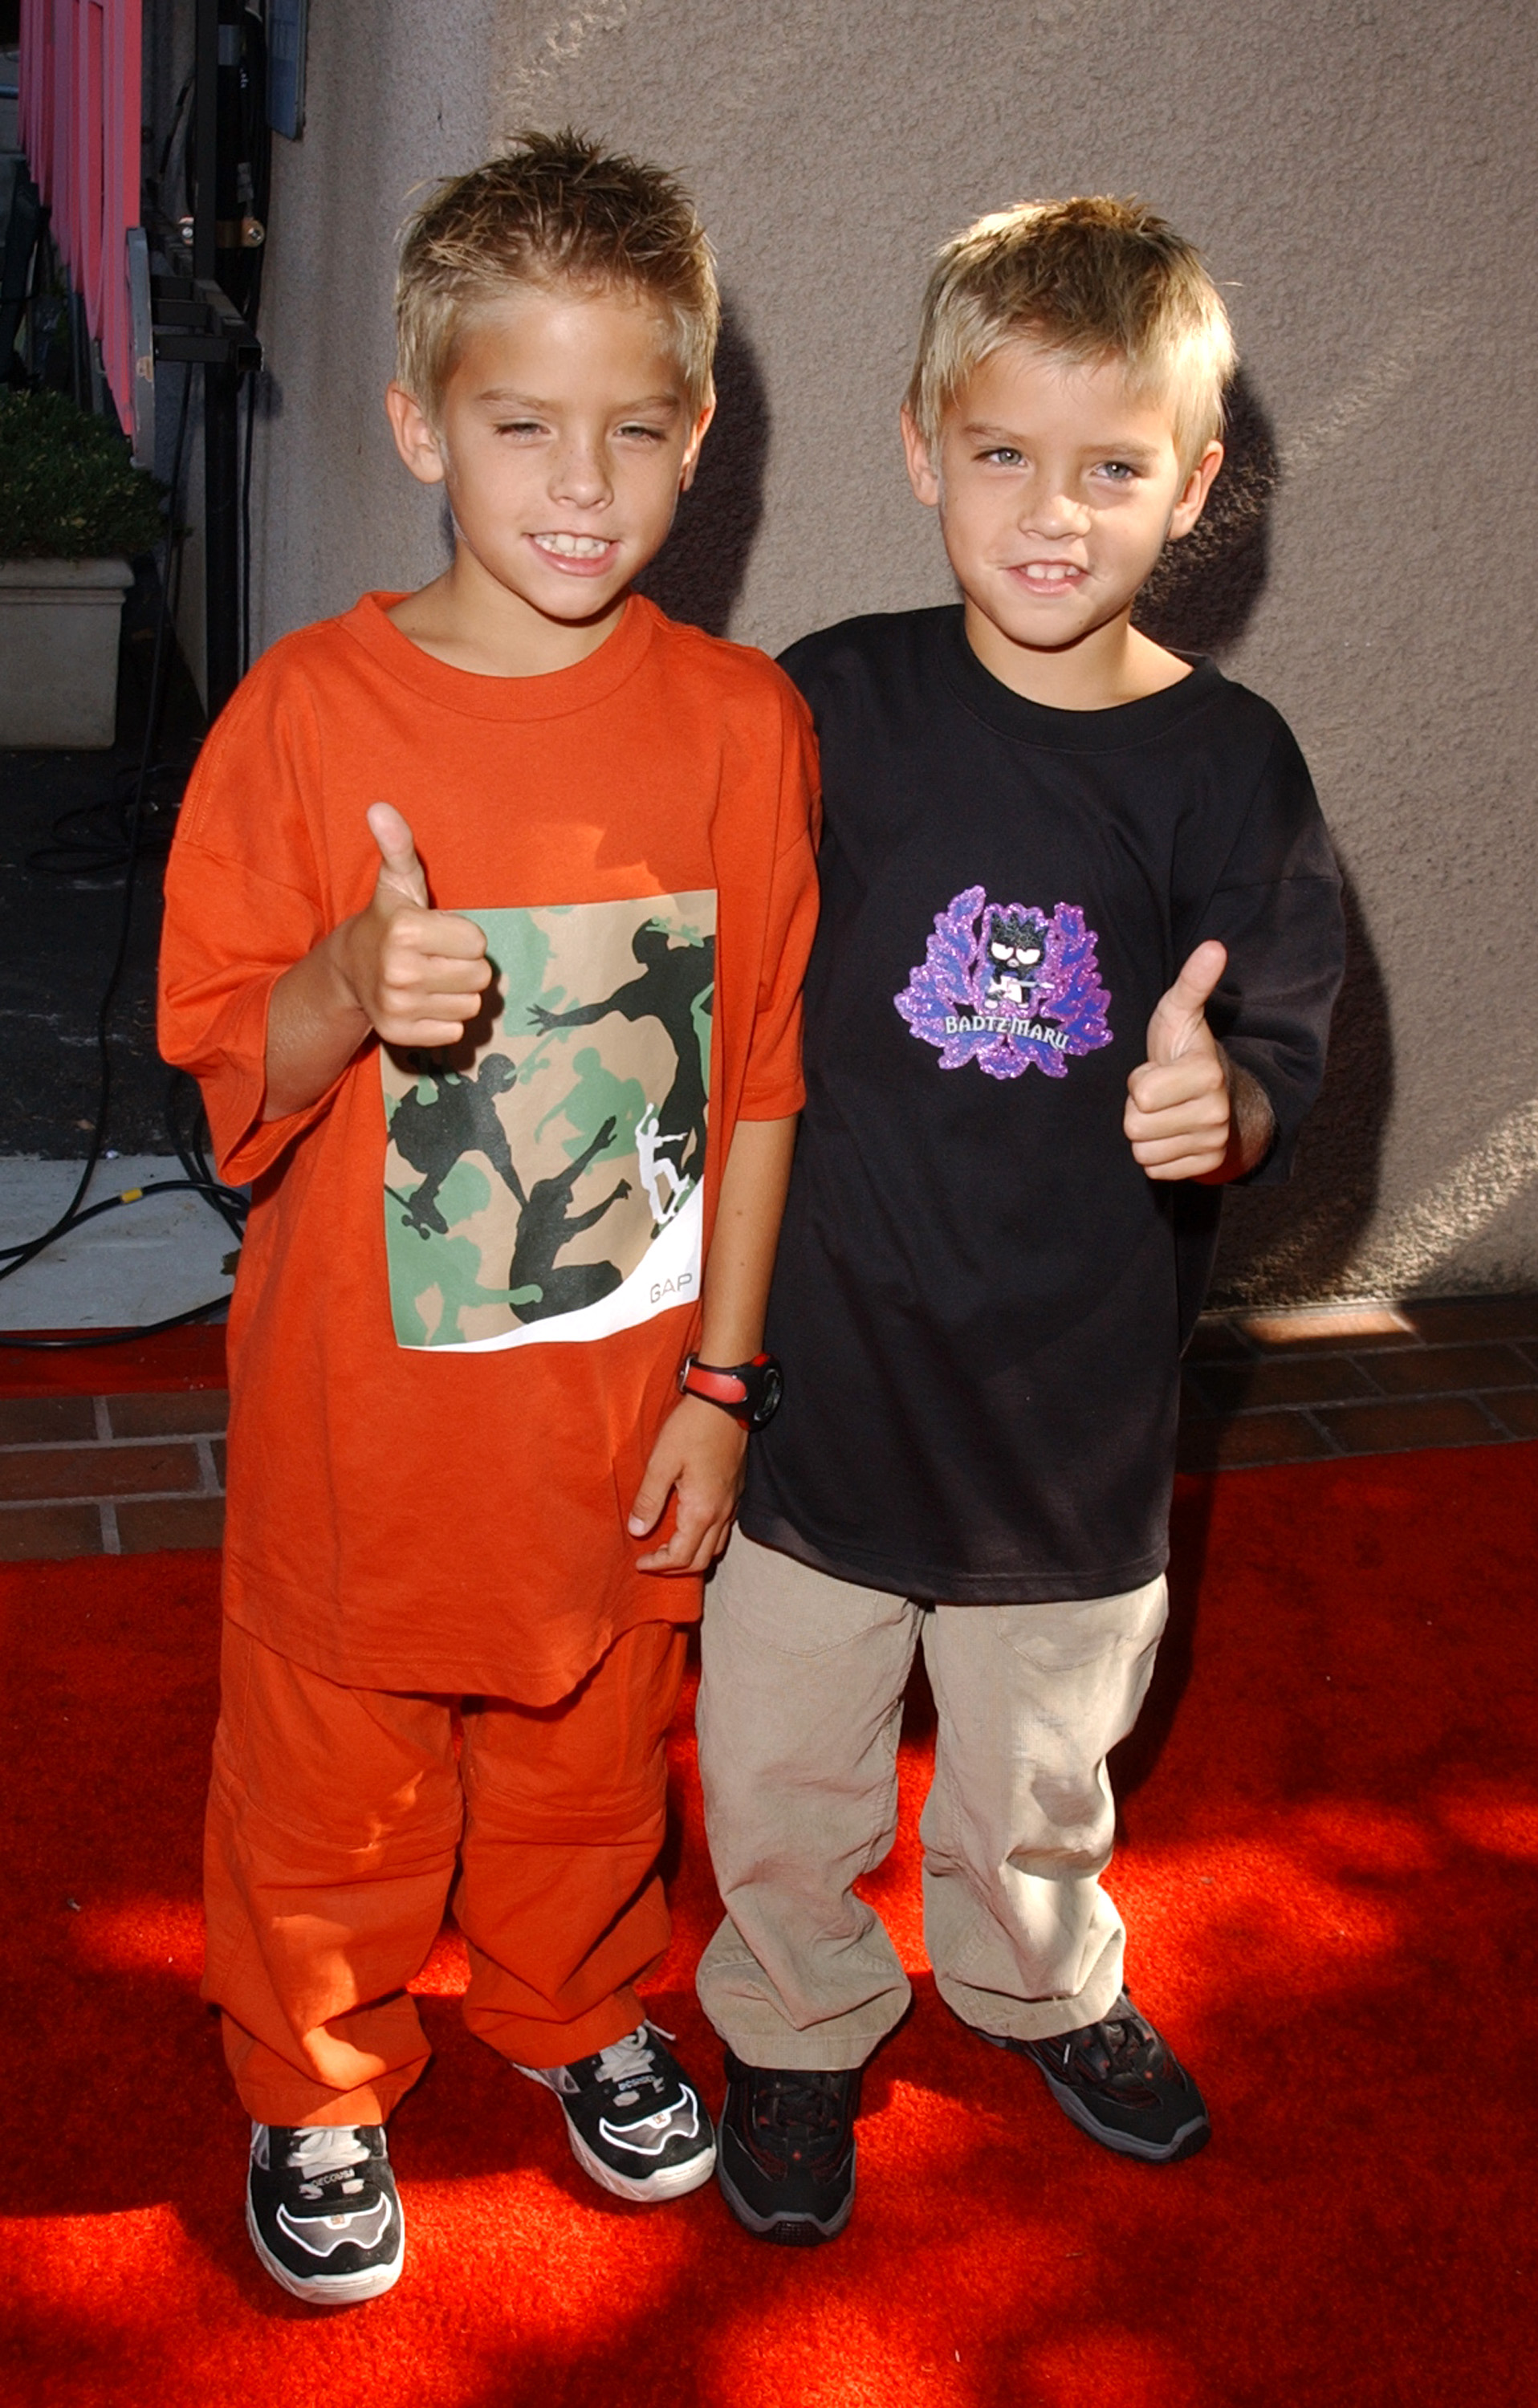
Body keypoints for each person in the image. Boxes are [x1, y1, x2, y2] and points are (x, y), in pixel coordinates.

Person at [159, 131, 818, 2304]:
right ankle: (315, 2073)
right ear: (418, 423)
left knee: (593, 1753)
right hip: (365, 1422)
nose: (580, 483)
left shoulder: (743, 726)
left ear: (698, 437)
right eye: (521, 424)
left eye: (632, 429)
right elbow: (221, 1056)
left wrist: (723, 1381)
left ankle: (570, 2000)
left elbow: (760, 1078)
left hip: (620, 1406)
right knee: (330, 1775)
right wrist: (350, 982)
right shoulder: (303, 713)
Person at [694, 197, 1345, 2243]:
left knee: (1041, 1769)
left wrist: (1224, 1103)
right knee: (777, 1758)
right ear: (920, 449)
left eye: (1110, 468)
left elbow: (1279, 1048)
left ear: (1195, 487)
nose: (1051, 515)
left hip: (1072, 1408)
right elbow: (713, 945)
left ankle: (1037, 1978)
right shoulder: (829, 704)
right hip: (823, 1379)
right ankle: (796, 2014)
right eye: (1002, 454)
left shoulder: (1233, 765)